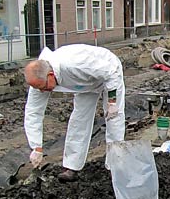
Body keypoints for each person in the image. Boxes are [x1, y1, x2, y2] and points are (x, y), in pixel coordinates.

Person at [24, 44, 125, 182]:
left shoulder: (76, 64)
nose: (42, 91)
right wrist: (36, 147)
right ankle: (72, 166)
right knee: (79, 120)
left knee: (113, 119)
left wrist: (112, 102)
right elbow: (33, 112)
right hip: (84, 84)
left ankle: (115, 166)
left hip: (108, 73)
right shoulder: (39, 80)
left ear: (51, 75)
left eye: (43, 88)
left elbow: (111, 72)